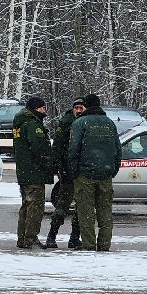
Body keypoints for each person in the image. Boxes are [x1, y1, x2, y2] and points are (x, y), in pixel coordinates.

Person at [69, 93, 121, 251]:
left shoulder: (80, 123)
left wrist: (74, 172)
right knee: (105, 212)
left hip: (85, 174)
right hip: (105, 173)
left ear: (86, 105)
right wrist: (112, 170)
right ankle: (104, 245)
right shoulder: (109, 123)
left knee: (86, 212)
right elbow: (118, 149)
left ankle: (89, 245)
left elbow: (73, 149)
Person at [12, 95, 54, 249]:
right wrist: (48, 163)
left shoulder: (20, 123)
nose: (44, 111)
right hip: (34, 172)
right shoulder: (32, 124)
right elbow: (39, 147)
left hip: (24, 171)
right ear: (36, 108)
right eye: (43, 108)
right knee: (35, 207)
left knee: (26, 206)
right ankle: (30, 238)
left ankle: (22, 238)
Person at [45, 97, 86, 249]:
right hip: (68, 171)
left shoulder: (86, 123)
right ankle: (51, 236)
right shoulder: (66, 123)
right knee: (62, 205)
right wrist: (59, 167)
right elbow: (57, 147)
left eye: (81, 108)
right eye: (76, 108)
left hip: (82, 170)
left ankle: (74, 237)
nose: (78, 111)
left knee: (81, 207)